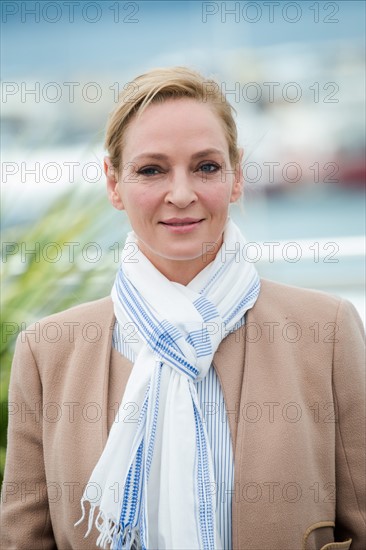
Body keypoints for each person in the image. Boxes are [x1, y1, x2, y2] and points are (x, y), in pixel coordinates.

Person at [0, 66, 365, 550]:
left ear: (236, 177)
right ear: (113, 183)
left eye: (206, 167)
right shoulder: (47, 352)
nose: (181, 194)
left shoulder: (328, 331)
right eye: (151, 169)